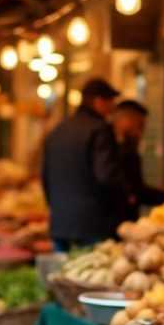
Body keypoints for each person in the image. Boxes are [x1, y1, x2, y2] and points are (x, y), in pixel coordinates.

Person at [42, 78, 126, 251]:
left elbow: (45, 176)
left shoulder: (59, 129)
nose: (112, 108)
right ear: (99, 101)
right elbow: (106, 176)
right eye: (111, 102)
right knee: (91, 276)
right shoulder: (100, 129)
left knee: (60, 275)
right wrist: (124, 199)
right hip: (92, 224)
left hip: (59, 223)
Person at [112, 100, 164, 222]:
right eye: (141, 124)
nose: (142, 131)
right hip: (118, 222)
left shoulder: (117, 146)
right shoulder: (116, 149)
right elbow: (136, 189)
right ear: (126, 120)